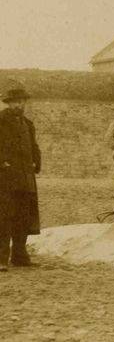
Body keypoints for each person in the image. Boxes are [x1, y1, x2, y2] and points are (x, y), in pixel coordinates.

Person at [0, 87, 41, 270]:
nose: (19, 105)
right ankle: (1, 258)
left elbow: (34, 146)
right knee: (4, 217)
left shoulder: (28, 124)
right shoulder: (0, 121)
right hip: (6, 180)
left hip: (26, 178)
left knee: (23, 218)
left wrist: (36, 162)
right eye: (16, 102)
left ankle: (19, 256)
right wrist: (2, 163)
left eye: (22, 101)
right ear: (8, 103)